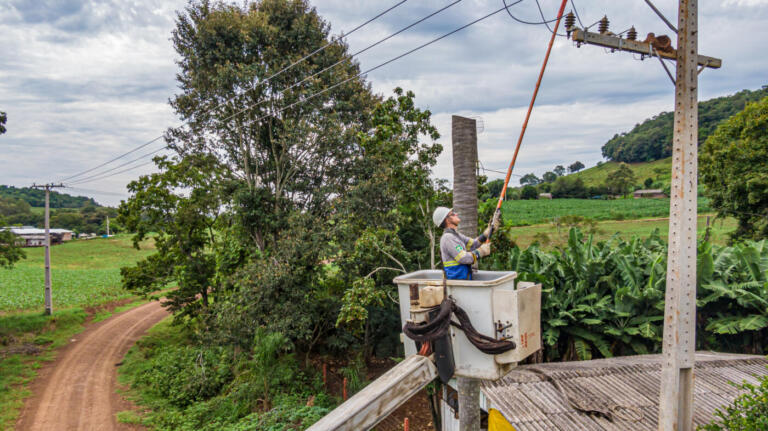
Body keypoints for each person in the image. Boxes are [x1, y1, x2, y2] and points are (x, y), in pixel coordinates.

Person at [433, 207, 501, 280]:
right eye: (452, 214)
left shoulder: (456, 235)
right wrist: (480, 252)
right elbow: (463, 258)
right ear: (447, 220)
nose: (456, 214)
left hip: (463, 280)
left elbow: (473, 244)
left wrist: (487, 233)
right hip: (457, 283)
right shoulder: (448, 238)